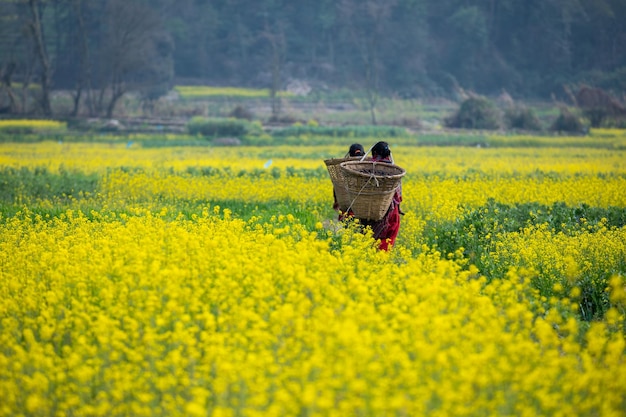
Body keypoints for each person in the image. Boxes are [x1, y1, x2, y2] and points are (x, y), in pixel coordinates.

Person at [360, 141, 403, 251]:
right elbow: (399, 196)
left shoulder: (368, 168)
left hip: (370, 211)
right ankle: (382, 263)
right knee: (386, 243)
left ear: (374, 153)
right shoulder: (394, 170)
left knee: (369, 241)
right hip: (392, 213)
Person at [333, 143, 365, 214]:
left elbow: (337, 187)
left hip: (348, 210)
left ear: (350, 154)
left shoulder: (344, 168)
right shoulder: (368, 167)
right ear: (363, 154)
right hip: (365, 208)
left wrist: (336, 202)